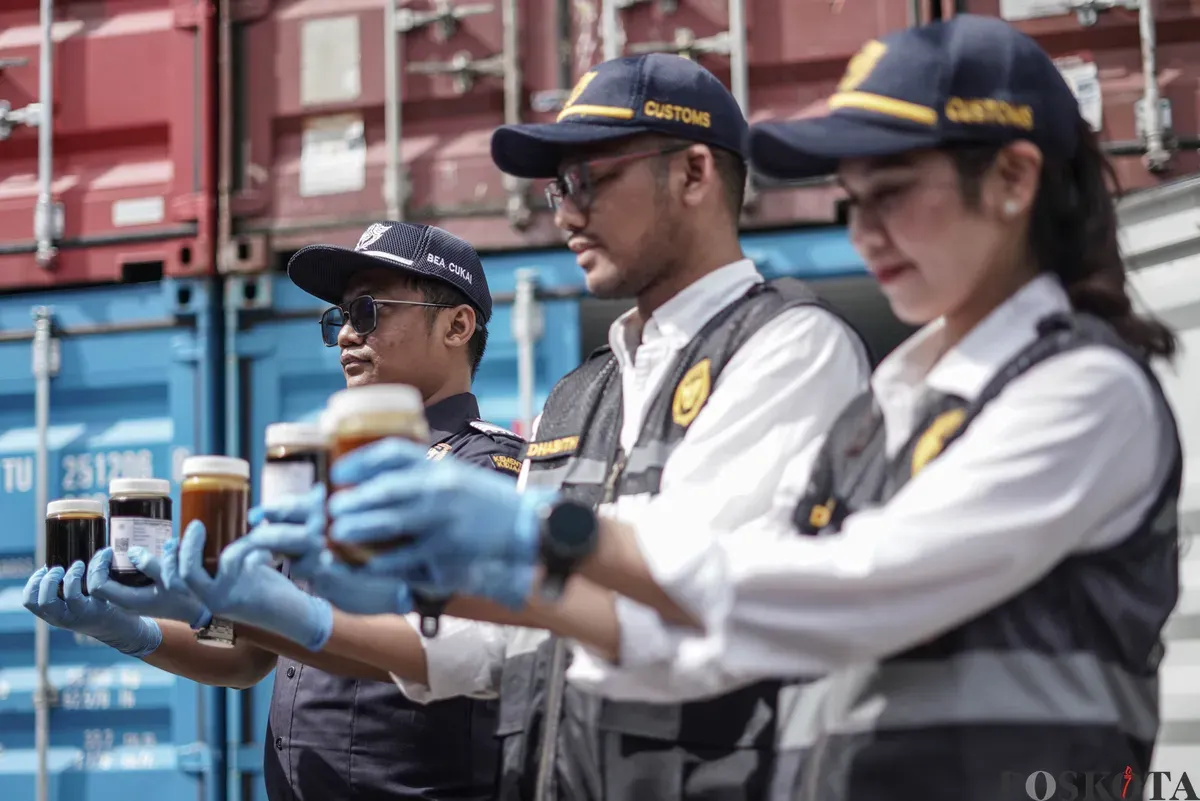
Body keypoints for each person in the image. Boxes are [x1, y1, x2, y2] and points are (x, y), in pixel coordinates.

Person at [313, 16, 1183, 801]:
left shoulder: (1082, 389)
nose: (864, 231)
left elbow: (854, 586)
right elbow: (688, 627)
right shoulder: (898, 396)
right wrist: (322, 605)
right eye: (852, 199)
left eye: (893, 192)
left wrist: (543, 536)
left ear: (1012, 179)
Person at [255, 52, 872, 801]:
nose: (566, 212)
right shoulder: (574, 399)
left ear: (695, 173)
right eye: (555, 189)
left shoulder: (788, 349)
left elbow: (705, 597)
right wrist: (305, 613)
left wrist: (528, 538)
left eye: (588, 180)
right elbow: (494, 652)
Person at [22, 221, 523, 801]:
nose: (344, 338)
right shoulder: (322, 479)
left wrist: (282, 617)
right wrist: (128, 630)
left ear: (457, 325)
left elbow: (462, 655)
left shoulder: (488, 478)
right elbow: (246, 657)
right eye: (339, 319)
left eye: (368, 312)